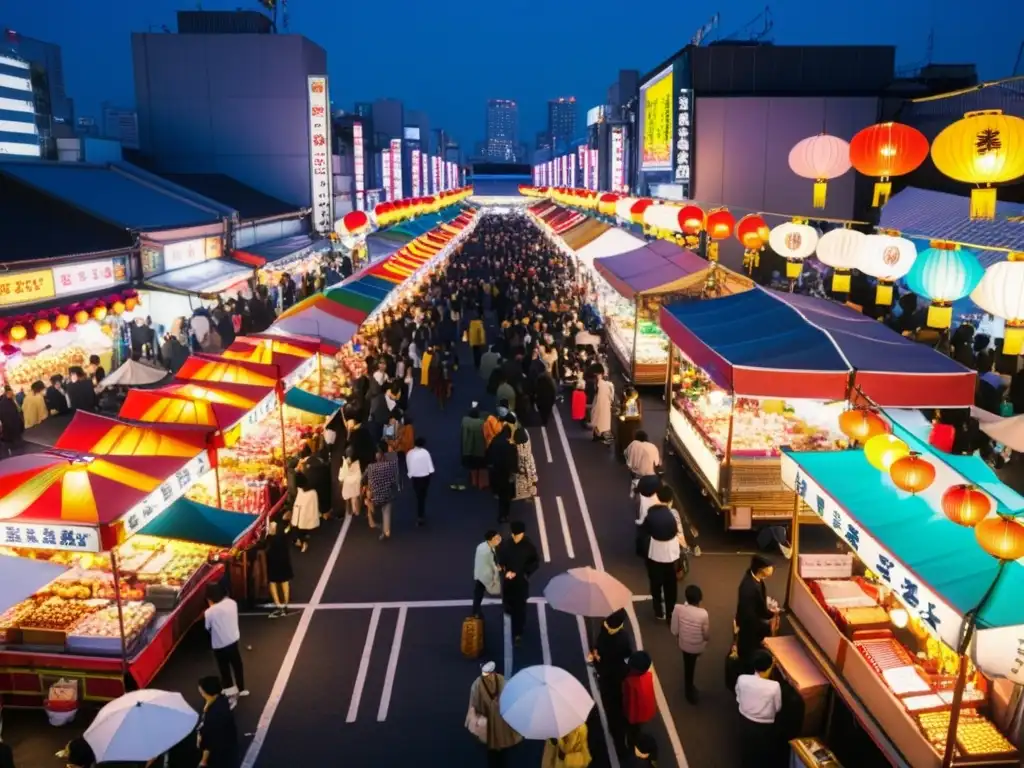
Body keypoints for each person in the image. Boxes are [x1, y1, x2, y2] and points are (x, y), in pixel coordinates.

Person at [588, 608, 632, 755]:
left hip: (605, 675)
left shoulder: (603, 630)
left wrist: (596, 657)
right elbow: (627, 655)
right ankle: (620, 742)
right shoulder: (622, 638)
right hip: (617, 676)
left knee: (610, 705)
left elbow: (597, 649)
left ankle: (614, 728)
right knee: (618, 707)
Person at [466, 661, 522, 766]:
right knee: (493, 748)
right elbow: (474, 705)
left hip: (499, 720)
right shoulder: (479, 685)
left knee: (498, 743)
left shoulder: (501, 681)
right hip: (491, 720)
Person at [637, 500, 683, 621]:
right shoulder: (671, 518)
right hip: (670, 557)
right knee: (671, 588)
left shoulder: (650, 519)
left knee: (656, 585)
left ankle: (658, 611)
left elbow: (642, 537)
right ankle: (670, 613)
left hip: (655, 556)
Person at [736, 650, 783, 768]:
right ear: (768, 668)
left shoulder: (742, 679)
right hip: (764, 726)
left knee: (746, 750)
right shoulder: (774, 686)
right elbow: (778, 707)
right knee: (760, 754)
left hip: (744, 720)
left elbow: (738, 696)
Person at [497, 520, 539, 645]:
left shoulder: (528, 546)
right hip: (508, 581)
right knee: (508, 601)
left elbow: (535, 562)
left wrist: (525, 573)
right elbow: (500, 560)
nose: (518, 536)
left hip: (521, 581)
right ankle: (508, 609)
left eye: (519, 534)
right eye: (516, 534)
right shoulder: (505, 545)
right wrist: (504, 570)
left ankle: (518, 633)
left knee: (520, 608)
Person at [204, 583, 247, 697]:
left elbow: (207, 627)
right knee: (237, 665)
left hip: (219, 644)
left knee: (224, 667)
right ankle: (241, 687)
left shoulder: (209, 612)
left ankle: (229, 688)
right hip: (233, 639)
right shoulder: (232, 603)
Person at [671, 584, 710, 703]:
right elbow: (706, 635)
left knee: (688, 665)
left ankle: (689, 687)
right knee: (691, 665)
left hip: (684, 644)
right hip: (697, 646)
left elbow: (674, 630)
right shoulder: (703, 614)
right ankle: (689, 690)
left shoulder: (678, 608)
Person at [736, 555, 779, 662]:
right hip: (750, 629)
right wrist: (771, 614)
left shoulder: (756, 580)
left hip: (754, 625)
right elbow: (750, 614)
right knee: (749, 654)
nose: (771, 569)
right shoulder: (749, 587)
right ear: (761, 569)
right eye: (769, 567)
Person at [197, 675, 239, 768]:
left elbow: (208, 741)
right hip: (229, 742)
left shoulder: (213, 715)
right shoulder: (222, 701)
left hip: (220, 752)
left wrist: (200, 740)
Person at [622, 651, 656, 751]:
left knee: (632, 730)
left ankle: (632, 743)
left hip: (634, 715)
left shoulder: (630, 682)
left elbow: (628, 702)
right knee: (638, 728)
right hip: (645, 712)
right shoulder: (648, 676)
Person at [365, 443, 400, 540]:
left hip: (375, 497)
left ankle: (377, 524)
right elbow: (394, 480)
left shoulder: (371, 467)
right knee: (386, 511)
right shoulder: (389, 466)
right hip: (387, 494)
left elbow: (364, 478)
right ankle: (386, 530)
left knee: (374, 507)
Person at [487, 425, 518, 523]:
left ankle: (501, 515)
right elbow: (513, 460)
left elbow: (489, 455)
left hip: (496, 473)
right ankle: (506, 515)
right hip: (506, 474)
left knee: (500, 496)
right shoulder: (509, 445)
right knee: (506, 496)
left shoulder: (494, 441)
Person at [264, 516, 293, 618]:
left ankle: (279, 606)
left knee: (273, 582)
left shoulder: (269, 536)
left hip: (273, 561)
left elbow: (264, 545)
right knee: (284, 582)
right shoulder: (283, 533)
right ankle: (284, 605)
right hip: (283, 560)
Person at [472, 530, 502, 617]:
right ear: (490, 540)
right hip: (484, 575)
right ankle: (476, 611)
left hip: (481, 573)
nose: (499, 539)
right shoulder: (486, 552)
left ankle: (475, 610)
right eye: (496, 538)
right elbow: (488, 565)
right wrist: (497, 569)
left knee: (478, 592)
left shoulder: (484, 546)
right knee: (480, 591)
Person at [406, 435, 435, 526]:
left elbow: (408, 465)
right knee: (423, 495)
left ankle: (420, 515)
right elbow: (430, 468)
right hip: (425, 477)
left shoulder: (410, 453)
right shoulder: (425, 453)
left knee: (419, 495)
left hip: (415, 477)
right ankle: (421, 515)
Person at [459, 404, 489, 490]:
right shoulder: (483, 424)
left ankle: (474, 481)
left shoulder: (465, 422)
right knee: (482, 467)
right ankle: (481, 484)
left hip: (469, 450)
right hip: (481, 450)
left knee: (473, 467)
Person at [509, 415, 538, 501]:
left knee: (523, 479)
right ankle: (530, 487)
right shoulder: (524, 432)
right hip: (528, 460)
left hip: (523, 466)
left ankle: (527, 492)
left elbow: (524, 464)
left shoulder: (520, 448)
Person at [289, 473, 319, 553]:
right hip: (306, 515)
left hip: (300, 515)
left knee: (297, 528)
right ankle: (301, 540)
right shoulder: (312, 491)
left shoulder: (301, 491)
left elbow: (297, 502)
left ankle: (302, 542)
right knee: (302, 528)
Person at [590, 367, 614, 443]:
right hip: (603, 403)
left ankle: (597, 435)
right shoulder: (607, 384)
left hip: (600, 403)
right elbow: (611, 396)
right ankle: (598, 434)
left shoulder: (600, 384)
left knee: (598, 419)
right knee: (601, 419)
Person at [339, 445, 363, 517]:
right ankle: (357, 511)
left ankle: (349, 511)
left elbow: (341, 476)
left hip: (347, 483)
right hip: (356, 482)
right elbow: (360, 473)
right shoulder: (357, 462)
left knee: (347, 498)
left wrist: (341, 481)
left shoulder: (344, 462)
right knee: (356, 496)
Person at [0, 388, 23, 456]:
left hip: (10, 428)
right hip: (12, 427)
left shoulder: (7, 401)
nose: (12, 394)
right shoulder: (7, 402)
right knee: (15, 445)